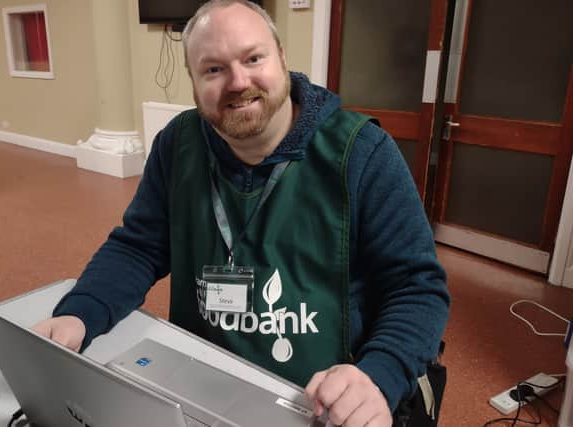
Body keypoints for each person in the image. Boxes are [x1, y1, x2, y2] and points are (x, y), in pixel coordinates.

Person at [33, 1, 450, 426]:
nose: (237, 81)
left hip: (318, 403)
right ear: (193, 82)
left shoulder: (363, 154)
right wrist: (79, 312)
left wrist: (377, 377)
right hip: (202, 389)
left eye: (253, 58)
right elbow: (138, 247)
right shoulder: (177, 146)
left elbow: (418, 288)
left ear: (282, 58)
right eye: (213, 69)